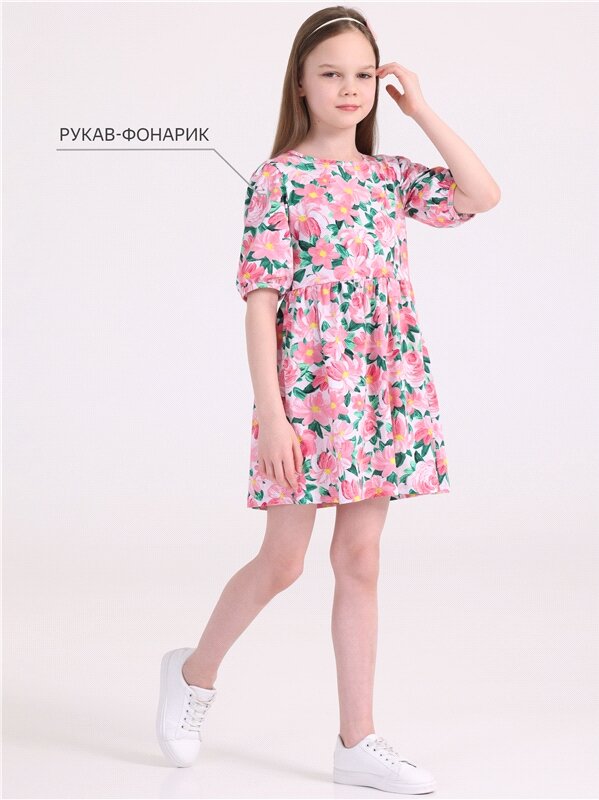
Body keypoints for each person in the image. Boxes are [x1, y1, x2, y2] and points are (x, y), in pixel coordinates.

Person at [156, 5, 500, 793]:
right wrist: (273, 416)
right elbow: (260, 304)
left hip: (380, 389)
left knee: (360, 559)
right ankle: (193, 673)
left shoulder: (390, 176)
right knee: (283, 562)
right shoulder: (276, 179)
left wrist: (421, 110)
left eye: (362, 74)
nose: (349, 88)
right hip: (305, 396)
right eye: (330, 73)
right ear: (301, 85)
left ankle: (357, 740)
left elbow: (481, 195)